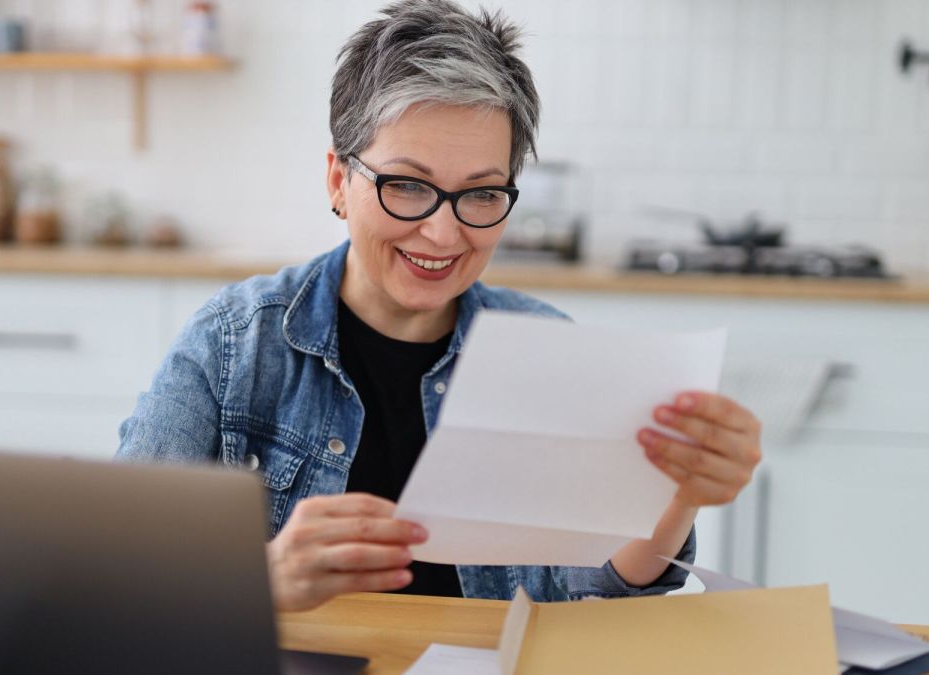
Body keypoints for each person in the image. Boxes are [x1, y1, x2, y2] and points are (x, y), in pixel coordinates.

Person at [117, 0, 762, 613]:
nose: (444, 234)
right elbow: (117, 572)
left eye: (481, 195)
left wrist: (677, 497)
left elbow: (596, 591)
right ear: (340, 181)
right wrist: (260, 578)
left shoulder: (547, 351)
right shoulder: (235, 345)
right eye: (407, 186)